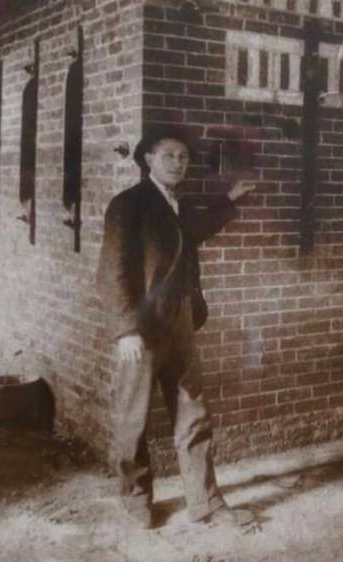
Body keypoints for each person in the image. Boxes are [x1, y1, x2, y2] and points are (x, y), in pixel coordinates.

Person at [96, 124, 256, 529]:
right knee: (133, 419)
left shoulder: (176, 206)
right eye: (168, 155)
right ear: (147, 159)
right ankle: (135, 500)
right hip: (143, 329)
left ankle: (205, 502)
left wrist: (228, 202)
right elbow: (111, 272)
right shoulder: (127, 205)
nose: (177, 163)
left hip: (181, 322)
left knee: (193, 414)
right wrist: (126, 330)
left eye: (183, 157)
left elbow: (194, 232)